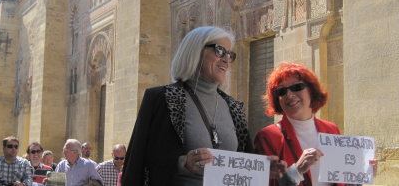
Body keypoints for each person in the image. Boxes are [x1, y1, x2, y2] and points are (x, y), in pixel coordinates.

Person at [121, 26, 288, 186]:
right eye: (220, 50)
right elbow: (139, 161)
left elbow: (241, 163)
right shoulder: (162, 98)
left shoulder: (234, 108)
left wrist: (263, 169)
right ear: (196, 51)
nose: (226, 59)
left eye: (229, 54)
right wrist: (183, 164)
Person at [253, 62, 377, 186]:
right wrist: (296, 171)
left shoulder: (331, 129)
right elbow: (262, 183)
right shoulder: (268, 137)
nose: (289, 94)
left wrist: (359, 176)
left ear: (311, 91)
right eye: (282, 91)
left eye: (296, 87)